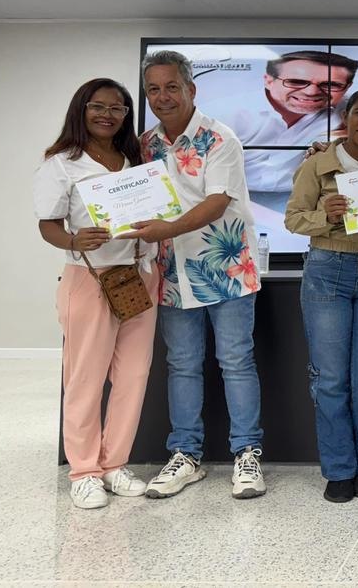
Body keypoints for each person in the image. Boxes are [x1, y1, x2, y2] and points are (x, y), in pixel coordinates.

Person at [126, 50, 266, 500]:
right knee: (182, 365)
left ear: (191, 89)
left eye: (172, 87)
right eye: (153, 89)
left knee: (236, 362)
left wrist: (166, 229)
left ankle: (247, 455)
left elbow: (216, 202)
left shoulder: (219, 138)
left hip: (225, 269)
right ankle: (186, 455)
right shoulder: (145, 145)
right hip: (171, 273)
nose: (162, 97)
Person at [33, 79, 159, 509]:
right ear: (81, 109)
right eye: (98, 106)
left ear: (127, 115)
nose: (108, 114)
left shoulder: (135, 161)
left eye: (117, 108)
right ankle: (84, 471)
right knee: (85, 379)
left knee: (133, 376)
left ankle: (114, 464)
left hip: (140, 276)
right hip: (90, 278)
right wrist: (73, 240)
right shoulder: (62, 163)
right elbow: (48, 225)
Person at [284, 88, 358, 503]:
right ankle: (338, 469)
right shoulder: (317, 164)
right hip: (328, 270)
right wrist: (325, 215)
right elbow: (293, 219)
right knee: (330, 379)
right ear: (346, 117)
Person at [225, 51, 358, 211]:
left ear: (347, 87)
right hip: (229, 196)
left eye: (330, 85)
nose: (311, 92)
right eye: (296, 82)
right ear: (268, 81)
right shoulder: (226, 114)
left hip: (304, 199)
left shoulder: (352, 110)